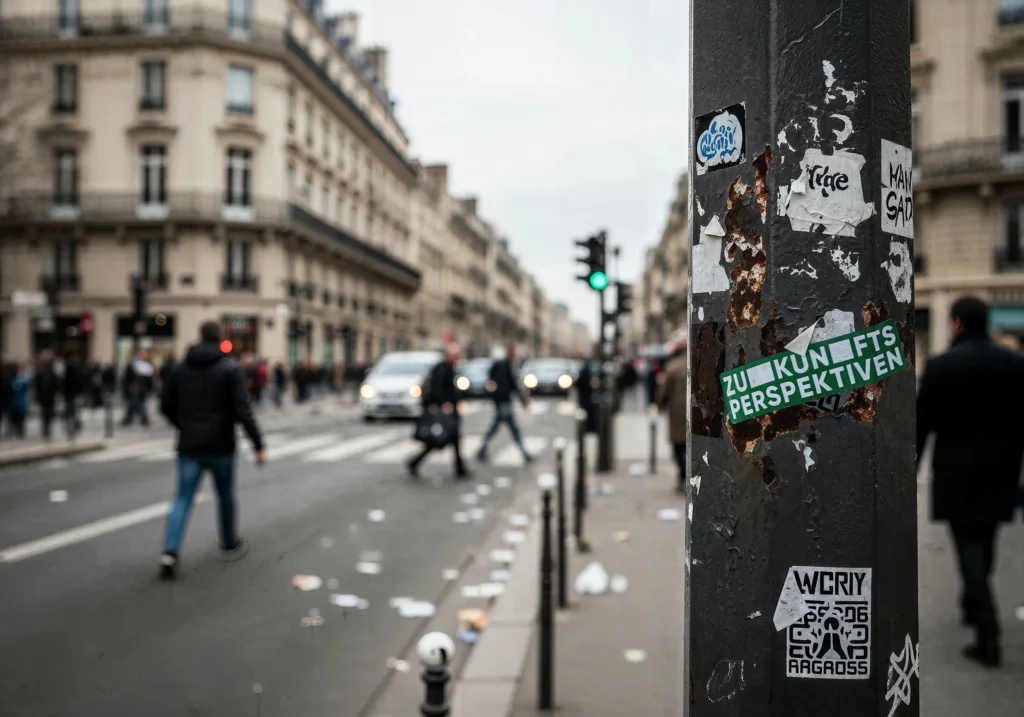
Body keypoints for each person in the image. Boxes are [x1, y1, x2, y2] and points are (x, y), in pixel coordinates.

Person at [917, 296, 1024, 668]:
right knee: (985, 540)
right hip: (1001, 471)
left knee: (968, 550)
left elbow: (923, 424)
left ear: (957, 323)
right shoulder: (1014, 364)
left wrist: (909, 471)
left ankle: (987, 633)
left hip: (956, 473)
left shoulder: (941, 366)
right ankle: (971, 602)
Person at [158, 321, 266, 580]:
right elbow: (243, 410)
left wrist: (183, 424)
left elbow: (165, 404)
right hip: (221, 444)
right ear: (220, 338)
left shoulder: (180, 369)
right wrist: (258, 444)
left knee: (182, 497)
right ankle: (228, 542)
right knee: (225, 493)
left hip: (189, 444)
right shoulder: (230, 369)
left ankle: (170, 551)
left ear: (200, 336)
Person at [407, 343, 471, 479]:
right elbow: (437, 389)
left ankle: (459, 468)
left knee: (452, 439)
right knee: (439, 440)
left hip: (451, 409)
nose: (456, 358)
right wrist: (444, 404)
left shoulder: (452, 368)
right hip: (444, 410)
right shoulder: (441, 368)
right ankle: (415, 462)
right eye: (454, 355)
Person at [477, 345, 533, 463]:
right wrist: (523, 401)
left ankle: (482, 449)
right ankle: (524, 452)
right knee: (512, 429)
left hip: (501, 401)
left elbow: (492, 380)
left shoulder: (501, 364)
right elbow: (513, 384)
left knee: (496, 428)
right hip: (504, 402)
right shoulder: (507, 365)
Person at [656, 341, 688, 493]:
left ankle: (683, 476)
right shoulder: (699, 361)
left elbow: (664, 391)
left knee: (678, 447)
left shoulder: (672, 367)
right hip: (697, 411)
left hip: (677, 412)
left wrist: (660, 405)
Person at [122, 350, 154, 426]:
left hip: (140, 388)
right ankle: (134, 418)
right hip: (135, 387)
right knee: (134, 403)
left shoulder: (145, 366)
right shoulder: (134, 365)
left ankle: (139, 418)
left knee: (139, 403)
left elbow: (149, 380)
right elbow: (127, 378)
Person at [33, 350, 59, 440]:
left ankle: (46, 428)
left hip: (48, 395)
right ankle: (46, 428)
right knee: (46, 412)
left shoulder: (48, 370)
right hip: (46, 395)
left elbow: (55, 383)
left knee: (46, 412)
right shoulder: (42, 370)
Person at [7, 364, 29, 438]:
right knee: (13, 417)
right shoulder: (11, 379)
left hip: (21, 401)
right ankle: (14, 430)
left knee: (21, 417)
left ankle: (20, 430)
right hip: (14, 401)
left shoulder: (23, 380)